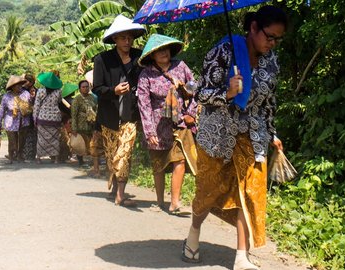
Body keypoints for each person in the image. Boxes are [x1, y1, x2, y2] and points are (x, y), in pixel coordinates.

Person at [181, 6, 287, 269]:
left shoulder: (271, 61)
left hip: (253, 134)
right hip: (217, 134)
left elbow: (269, 102)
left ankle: (241, 256)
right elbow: (201, 94)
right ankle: (194, 233)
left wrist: (272, 132)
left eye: (277, 39)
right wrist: (226, 93)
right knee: (207, 191)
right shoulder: (222, 52)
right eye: (269, 36)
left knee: (249, 191)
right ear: (253, 28)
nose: (272, 43)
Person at [137, 34, 198, 215]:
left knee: (179, 159)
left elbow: (195, 88)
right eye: (159, 50)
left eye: (166, 49)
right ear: (152, 55)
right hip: (157, 125)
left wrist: (190, 113)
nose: (164, 53)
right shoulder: (146, 75)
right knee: (159, 164)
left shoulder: (181, 67)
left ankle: (175, 202)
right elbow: (144, 105)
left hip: (179, 122)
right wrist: (149, 132)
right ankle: (159, 200)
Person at [92, 15, 146, 207]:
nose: (127, 41)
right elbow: (97, 88)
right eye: (123, 38)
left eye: (130, 37)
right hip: (109, 115)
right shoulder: (102, 60)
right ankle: (116, 187)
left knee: (125, 152)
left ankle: (120, 194)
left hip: (130, 115)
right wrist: (113, 91)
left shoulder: (140, 58)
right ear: (114, 39)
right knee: (112, 153)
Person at [0, 75, 32, 164]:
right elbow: (1, 110)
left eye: (20, 85)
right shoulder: (6, 97)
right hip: (10, 121)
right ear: (12, 86)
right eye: (17, 85)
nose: (20, 86)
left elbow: (30, 105)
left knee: (22, 139)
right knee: (12, 140)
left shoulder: (26, 94)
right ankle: (11, 156)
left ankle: (20, 155)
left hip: (24, 120)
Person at [33, 71, 63, 164]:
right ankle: (56, 159)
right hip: (55, 118)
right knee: (55, 139)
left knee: (41, 138)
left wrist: (35, 118)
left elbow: (36, 106)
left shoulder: (40, 91)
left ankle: (39, 158)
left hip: (42, 118)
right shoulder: (58, 92)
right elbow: (59, 102)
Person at [71, 80, 98, 168]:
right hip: (80, 124)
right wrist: (74, 128)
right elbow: (74, 115)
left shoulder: (93, 98)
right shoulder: (77, 99)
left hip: (91, 124)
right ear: (80, 89)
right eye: (83, 87)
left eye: (87, 87)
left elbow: (96, 109)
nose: (85, 88)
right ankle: (80, 160)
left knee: (91, 143)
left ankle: (92, 160)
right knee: (80, 144)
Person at [58, 83, 77, 163]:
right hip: (70, 121)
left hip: (63, 121)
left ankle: (63, 156)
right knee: (72, 138)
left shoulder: (61, 101)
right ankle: (72, 155)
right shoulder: (73, 101)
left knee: (64, 139)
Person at [21, 73, 38, 161]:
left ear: (31, 82)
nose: (24, 83)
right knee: (23, 136)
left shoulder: (35, 91)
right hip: (22, 117)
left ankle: (31, 155)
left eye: (26, 81)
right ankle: (21, 154)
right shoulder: (22, 89)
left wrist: (33, 97)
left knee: (32, 136)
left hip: (32, 117)